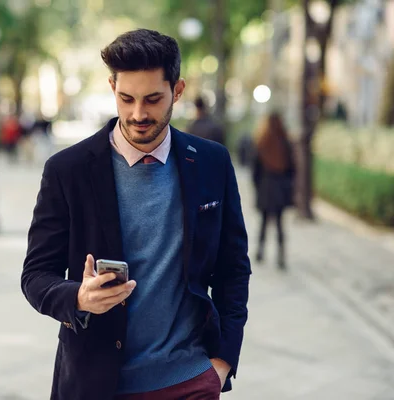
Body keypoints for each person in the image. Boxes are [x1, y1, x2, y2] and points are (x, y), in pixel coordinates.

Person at [21, 29, 251, 400]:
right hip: (95, 384)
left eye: (153, 99)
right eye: (126, 98)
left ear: (177, 91)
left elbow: (233, 268)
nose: (138, 113)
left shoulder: (212, 162)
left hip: (189, 381)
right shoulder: (68, 170)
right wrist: (78, 297)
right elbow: (35, 276)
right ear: (112, 86)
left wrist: (222, 362)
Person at [252, 112, 295, 270]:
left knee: (263, 221)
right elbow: (292, 169)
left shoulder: (262, 142)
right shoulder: (285, 142)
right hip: (280, 188)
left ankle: (260, 252)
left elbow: (255, 170)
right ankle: (281, 256)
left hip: (265, 187)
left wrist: (257, 187)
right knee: (279, 223)